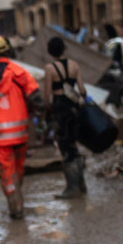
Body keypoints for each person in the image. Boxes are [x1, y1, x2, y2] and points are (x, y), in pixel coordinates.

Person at [0, 35, 43, 219]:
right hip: (20, 134)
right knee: (18, 168)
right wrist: (40, 117)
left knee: (6, 171)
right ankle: (18, 201)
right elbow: (37, 97)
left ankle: (15, 208)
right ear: (6, 52)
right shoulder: (16, 71)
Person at [43, 37, 89, 198]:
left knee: (65, 147)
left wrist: (48, 113)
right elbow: (82, 90)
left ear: (50, 51)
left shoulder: (50, 68)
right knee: (74, 145)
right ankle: (82, 185)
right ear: (64, 49)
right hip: (74, 108)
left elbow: (47, 95)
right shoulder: (74, 65)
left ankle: (72, 187)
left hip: (60, 109)